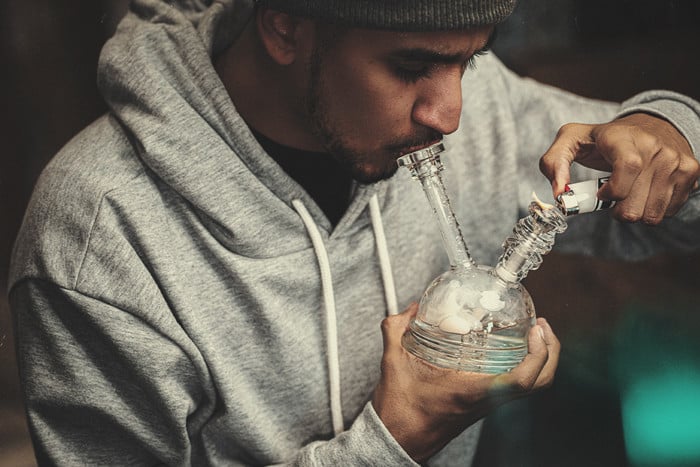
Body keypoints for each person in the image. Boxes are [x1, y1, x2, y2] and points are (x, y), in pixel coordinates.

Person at [9, 0, 700, 465]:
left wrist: (669, 130)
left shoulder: (476, 108)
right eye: (411, 67)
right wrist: (396, 438)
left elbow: (674, 202)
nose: (450, 113)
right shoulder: (101, 233)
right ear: (284, 25)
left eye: (469, 61)